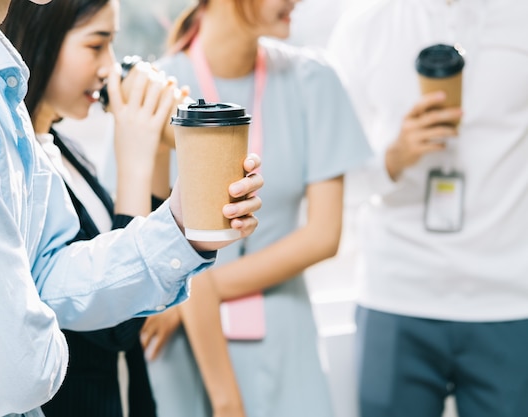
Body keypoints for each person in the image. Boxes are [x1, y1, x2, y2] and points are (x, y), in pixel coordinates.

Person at [0, 0, 264, 415]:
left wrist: (181, 227)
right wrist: (31, 333)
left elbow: (45, 274)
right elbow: (14, 373)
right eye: (95, 45)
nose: (110, 69)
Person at [139, 0, 372, 416]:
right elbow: (137, 236)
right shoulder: (157, 91)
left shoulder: (313, 80)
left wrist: (202, 287)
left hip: (285, 340)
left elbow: (323, 235)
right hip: (185, 345)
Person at [327, 1, 528, 416]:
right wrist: (393, 158)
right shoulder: (363, 26)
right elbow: (332, 179)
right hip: (397, 293)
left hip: (511, 299)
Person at [1, 0, 181, 415]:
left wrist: (153, 149)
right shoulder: (20, 171)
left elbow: (137, 259)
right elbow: (117, 321)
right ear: (39, 37)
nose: (108, 67)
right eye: (96, 45)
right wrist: (134, 155)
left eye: (113, 47)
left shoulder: (66, 151)